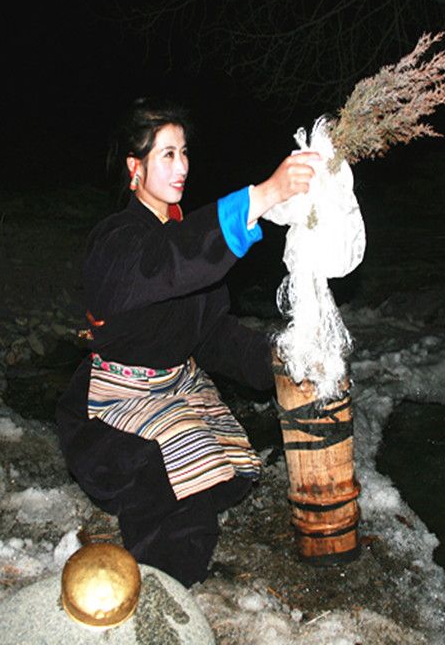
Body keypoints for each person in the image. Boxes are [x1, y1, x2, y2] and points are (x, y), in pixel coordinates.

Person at [56, 98, 319, 587]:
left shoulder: (178, 233)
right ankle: (162, 596)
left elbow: (211, 331)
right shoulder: (116, 241)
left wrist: (277, 360)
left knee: (232, 476)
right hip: (116, 406)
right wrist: (262, 196)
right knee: (181, 519)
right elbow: (171, 261)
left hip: (175, 386)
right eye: (167, 155)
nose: (182, 168)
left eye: (184, 153)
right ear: (135, 167)